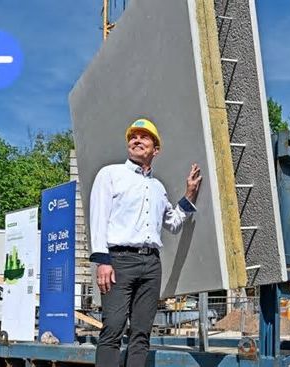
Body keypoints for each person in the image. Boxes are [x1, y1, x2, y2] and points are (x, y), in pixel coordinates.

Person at [89, 118, 202, 367]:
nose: (137, 140)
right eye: (133, 136)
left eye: (144, 137)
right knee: (113, 329)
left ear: (155, 150)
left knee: (141, 333)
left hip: (151, 264)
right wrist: (102, 261)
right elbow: (98, 217)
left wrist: (189, 195)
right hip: (119, 262)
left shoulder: (158, 188)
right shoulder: (110, 174)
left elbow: (172, 223)